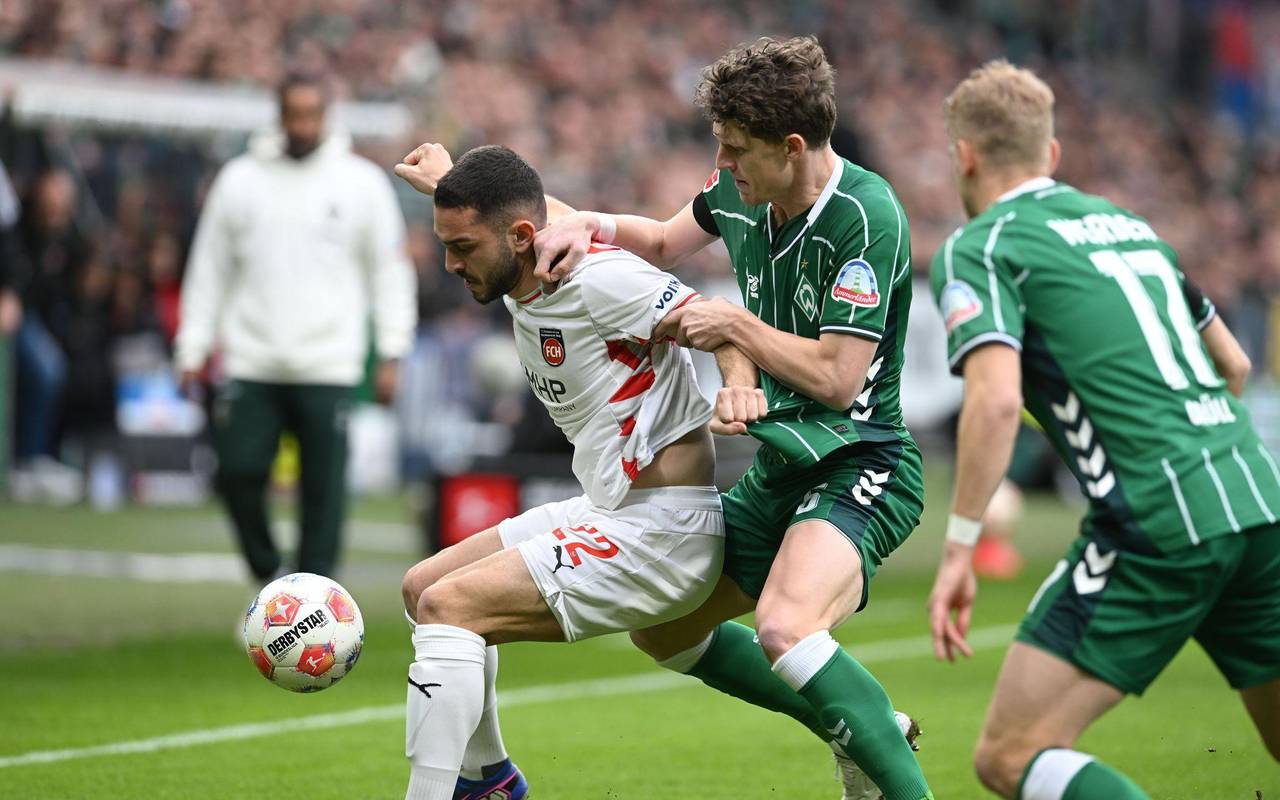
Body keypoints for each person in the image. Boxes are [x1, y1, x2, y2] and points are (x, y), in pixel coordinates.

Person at [535, 36, 931, 800]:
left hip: (861, 460)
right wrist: (583, 223)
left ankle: (890, 767)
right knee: (662, 626)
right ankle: (866, 724)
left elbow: (839, 378)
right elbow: (658, 239)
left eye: (736, 151)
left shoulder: (866, 215)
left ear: (791, 147)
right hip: (785, 466)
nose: (723, 168)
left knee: (786, 627)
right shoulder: (743, 192)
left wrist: (734, 327)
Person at [926, 60, 1280, 800]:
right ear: (1051, 155)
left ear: (964, 155)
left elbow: (994, 403)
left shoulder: (985, 245)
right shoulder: (1129, 225)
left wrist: (960, 548)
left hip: (1159, 514)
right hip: (1257, 495)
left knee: (1009, 755)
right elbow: (1235, 363)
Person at [394, 144, 730, 800]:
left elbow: (716, 325)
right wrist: (447, 178)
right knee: (422, 587)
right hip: (609, 509)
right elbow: (523, 207)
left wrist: (738, 392)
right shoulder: (526, 253)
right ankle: (490, 779)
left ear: (519, 237)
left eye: (461, 246)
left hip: (661, 531)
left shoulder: (595, 279)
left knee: (447, 608)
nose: (449, 263)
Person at [176, 72, 416, 581]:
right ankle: (269, 576)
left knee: (323, 494)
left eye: (312, 114)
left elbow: (389, 273)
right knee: (237, 472)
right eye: (294, 114)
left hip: (329, 361)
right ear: (279, 115)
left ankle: (315, 598)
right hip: (252, 357)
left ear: (326, 115)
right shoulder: (239, 179)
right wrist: (192, 347)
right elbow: (208, 270)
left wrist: (393, 349)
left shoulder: (360, 183)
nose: (303, 124)